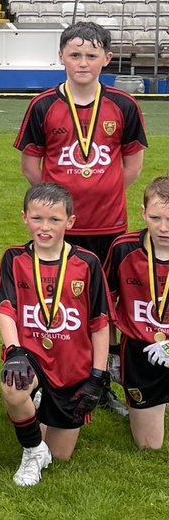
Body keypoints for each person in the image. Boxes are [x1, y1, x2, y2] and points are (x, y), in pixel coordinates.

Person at [0, 184, 111, 486]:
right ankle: (32, 450)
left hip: (72, 366)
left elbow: (99, 324)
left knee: (60, 456)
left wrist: (97, 376)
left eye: (54, 220)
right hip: (30, 356)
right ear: (24, 218)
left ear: (70, 222)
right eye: (37, 218)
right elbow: (5, 310)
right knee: (12, 386)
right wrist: (14, 351)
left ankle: (41, 417)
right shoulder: (14, 258)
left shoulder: (87, 263)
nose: (44, 227)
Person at [16, 21, 147, 272]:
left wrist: (106, 189)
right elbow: (30, 166)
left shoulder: (125, 105)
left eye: (91, 56)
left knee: (106, 294)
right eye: (75, 55)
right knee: (63, 291)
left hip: (109, 222)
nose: (83, 63)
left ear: (106, 58)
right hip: (58, 222)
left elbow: (133, 165)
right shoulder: (42, 106)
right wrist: (55, 201)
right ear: (61, 57)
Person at [105, 177, 169, 450]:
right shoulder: (124, 248)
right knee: (149, 446)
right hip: (140, 354)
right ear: (143, 213)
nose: (163, 227)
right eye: (155, 218)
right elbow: (104, 305)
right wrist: (111, 351)